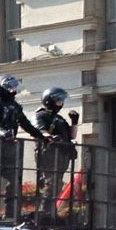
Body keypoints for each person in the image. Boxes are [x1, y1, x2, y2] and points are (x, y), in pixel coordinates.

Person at [0, 76, 47, 222]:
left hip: (9, 144)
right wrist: (2, 132)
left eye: (14, 87)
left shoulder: (15, 106)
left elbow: (26, 124)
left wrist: (42, 137)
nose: (13, 90)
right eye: (9, 87)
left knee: (13, 178)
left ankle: (10, 213)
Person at [34, 87, 80, 220]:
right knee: (51, 183)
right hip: (49, 154)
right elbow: (39, 129)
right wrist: (50, 137)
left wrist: (74, 122)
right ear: (50, 101)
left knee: (57, 184)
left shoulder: (58, 118)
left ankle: (52, 210)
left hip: (62, 155)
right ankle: (45, 211)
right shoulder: (41, 115)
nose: (61, 103)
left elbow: (71, 135)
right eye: (59, 100)